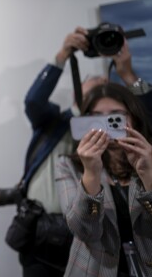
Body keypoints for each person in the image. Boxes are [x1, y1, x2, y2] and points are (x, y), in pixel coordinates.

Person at [16, 27, 152, 277]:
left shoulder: (130, 154)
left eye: (113, 116)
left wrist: (126, 72)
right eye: (93, 88)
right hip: (49, 228)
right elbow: (34, 102)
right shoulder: (56, 124)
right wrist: (62, 57)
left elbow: (145, 114)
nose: (101, 89)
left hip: (97, 231)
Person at [55, 82, 152, 277]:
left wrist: (148, 174)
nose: (106, 125)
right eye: (97, 117)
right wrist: (91, 173)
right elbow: (85, 231)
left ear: (133, 118)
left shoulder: (149, 158)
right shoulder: (68, 166)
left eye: (116, 115)